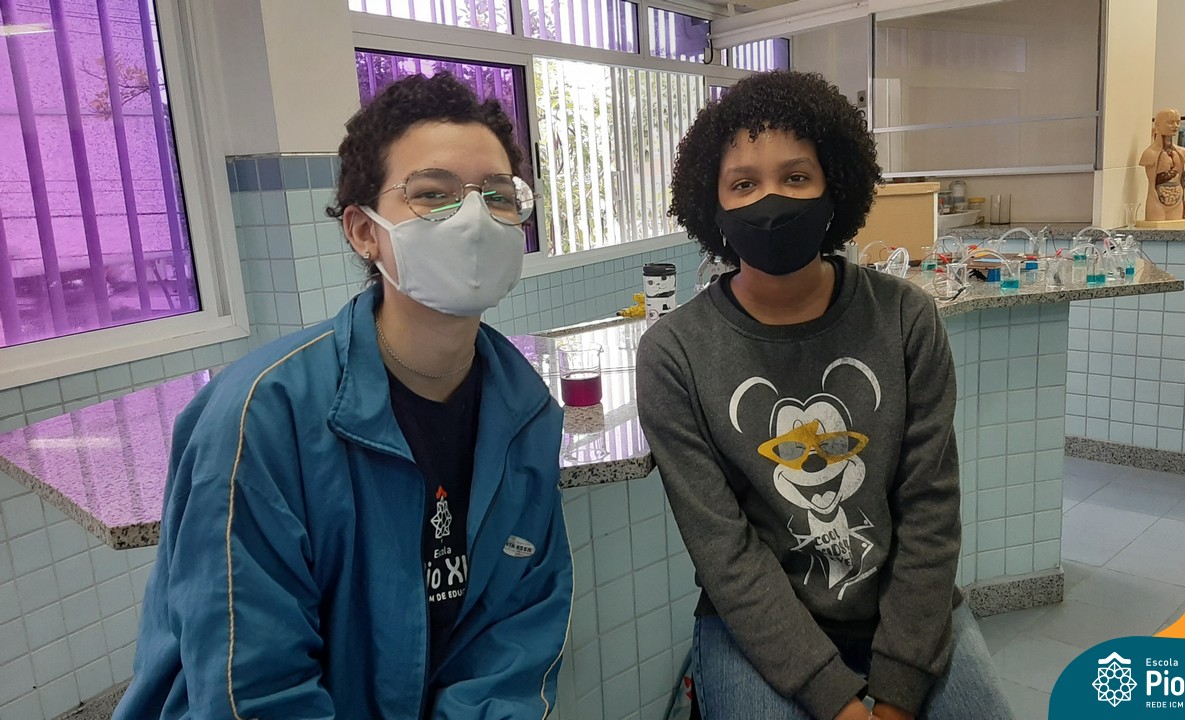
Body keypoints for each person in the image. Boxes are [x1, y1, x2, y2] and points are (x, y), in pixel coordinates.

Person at [116, 73, 572, 719]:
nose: (474, 220)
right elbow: (252, 686)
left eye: (497, 196)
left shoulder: (525, 413)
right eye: (433, 194)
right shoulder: (262, 418)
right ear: (363, 231)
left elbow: (513, 639)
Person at [636, 71, 1012, 720]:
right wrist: (837, 703)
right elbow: (725, 554)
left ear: (834, 186)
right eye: (744, 183)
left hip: (904, 616)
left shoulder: (905, 319)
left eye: (796, 176)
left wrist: (896, 692)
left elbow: (929, 511)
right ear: (711, 204)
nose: (771, 201)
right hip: (758, 627)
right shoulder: (675, 353)